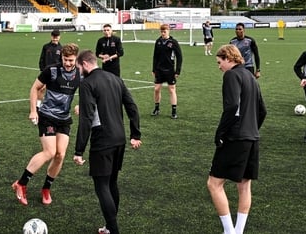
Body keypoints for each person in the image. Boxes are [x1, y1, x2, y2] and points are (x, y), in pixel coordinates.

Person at [73, 49, 141, 234]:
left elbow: (86, 118)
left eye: (79, 68)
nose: (79, 71)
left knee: (102, 186)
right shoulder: (115, 79)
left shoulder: (87, 83)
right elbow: (132, 107)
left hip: (102, 141)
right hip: (119, 139)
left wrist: (79, 150)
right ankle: (109, 227)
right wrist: (135, 134)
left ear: (85, 64)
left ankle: (114, 229)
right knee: (112, 183)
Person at [13, 43, 81, 206]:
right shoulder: (51, 70)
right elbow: (34, 88)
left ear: (76, 59)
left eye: (71, 60)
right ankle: (21, 184)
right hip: (47, 116)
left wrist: (82, 104)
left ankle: (46, 188)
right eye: (65, 59)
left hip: (64, 119)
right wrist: (33, 110)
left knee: (60, 155)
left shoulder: (80, 74)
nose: (68, 63)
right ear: (61, 57)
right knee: (50, 152)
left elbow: (88, 91)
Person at [208, 44, 266, 234]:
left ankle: (229, 231)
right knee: (244, 185)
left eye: (220, 62)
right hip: (252, 137)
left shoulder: (231, 75)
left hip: (236, 137)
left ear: (229, 59)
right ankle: (238, 231)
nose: (219, 67)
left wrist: (221, 132)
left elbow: (232, 106)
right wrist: (251, 130)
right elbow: (263, 111)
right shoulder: (250, 76)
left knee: (214, 183)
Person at [151, 24, 183, 119]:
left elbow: (179, 57)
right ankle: (157, 108)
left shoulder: (173, 42)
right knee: (156, 89)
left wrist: (177, 71)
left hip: (170, 70)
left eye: (165, 31)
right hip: (159, 70)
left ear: (169, 31)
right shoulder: (158, 42)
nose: (163, 33)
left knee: (171, 90)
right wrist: (154, 69)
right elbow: (155, 56)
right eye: (161, 31)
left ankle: (174, 111)